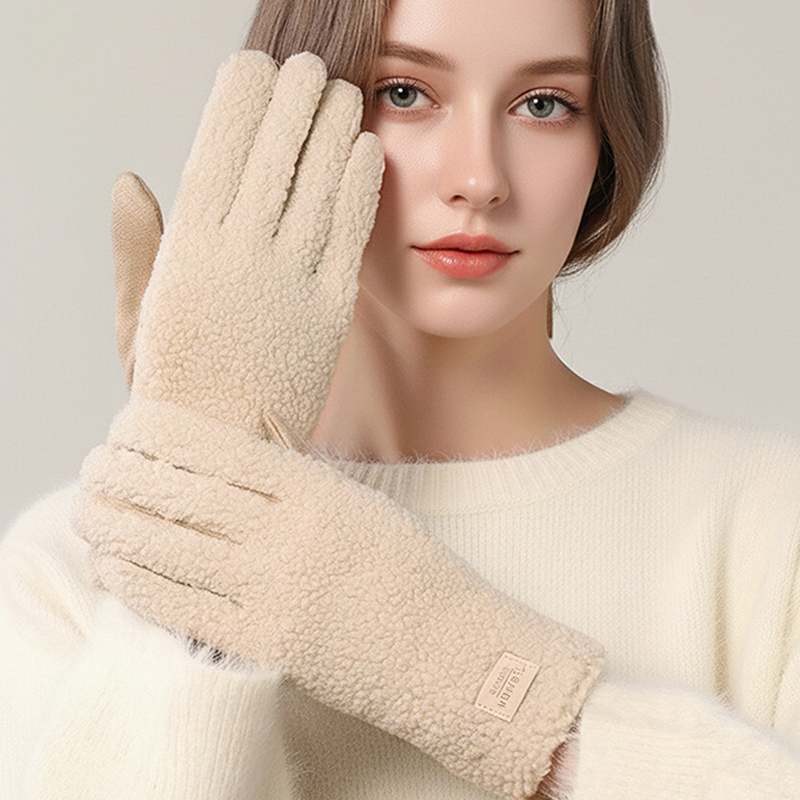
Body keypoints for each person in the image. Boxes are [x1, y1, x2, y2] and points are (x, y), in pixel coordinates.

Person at [2, 0, 800, 799]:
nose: (479, 179)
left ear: (608, 143)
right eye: (405, 94)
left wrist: (457, 667)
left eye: (544, 104)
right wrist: (202, 503)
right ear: (287, 120)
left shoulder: (769, 525)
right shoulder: (74, 563)